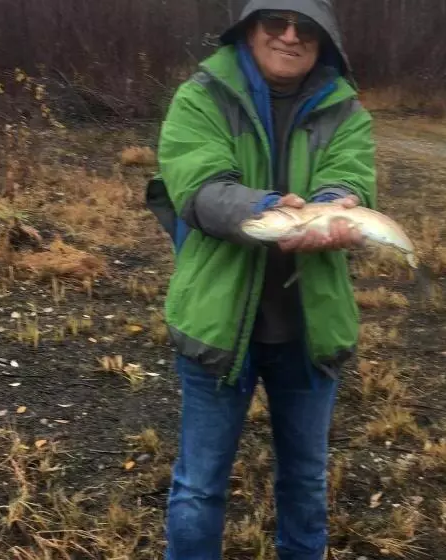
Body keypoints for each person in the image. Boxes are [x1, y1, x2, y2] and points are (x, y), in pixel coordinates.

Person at [145, 1, 377, 558]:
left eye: (307, 27)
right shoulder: (200, 97)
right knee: (199, 487)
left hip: (310, 330)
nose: (290, 36)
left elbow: (350, 179)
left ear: (326, 41)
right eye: (276, 21)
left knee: (306, 483)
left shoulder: (348, 114)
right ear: (250, 29)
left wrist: (332, 208)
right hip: (216, 326)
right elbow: (198, 189)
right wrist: (276, 211)